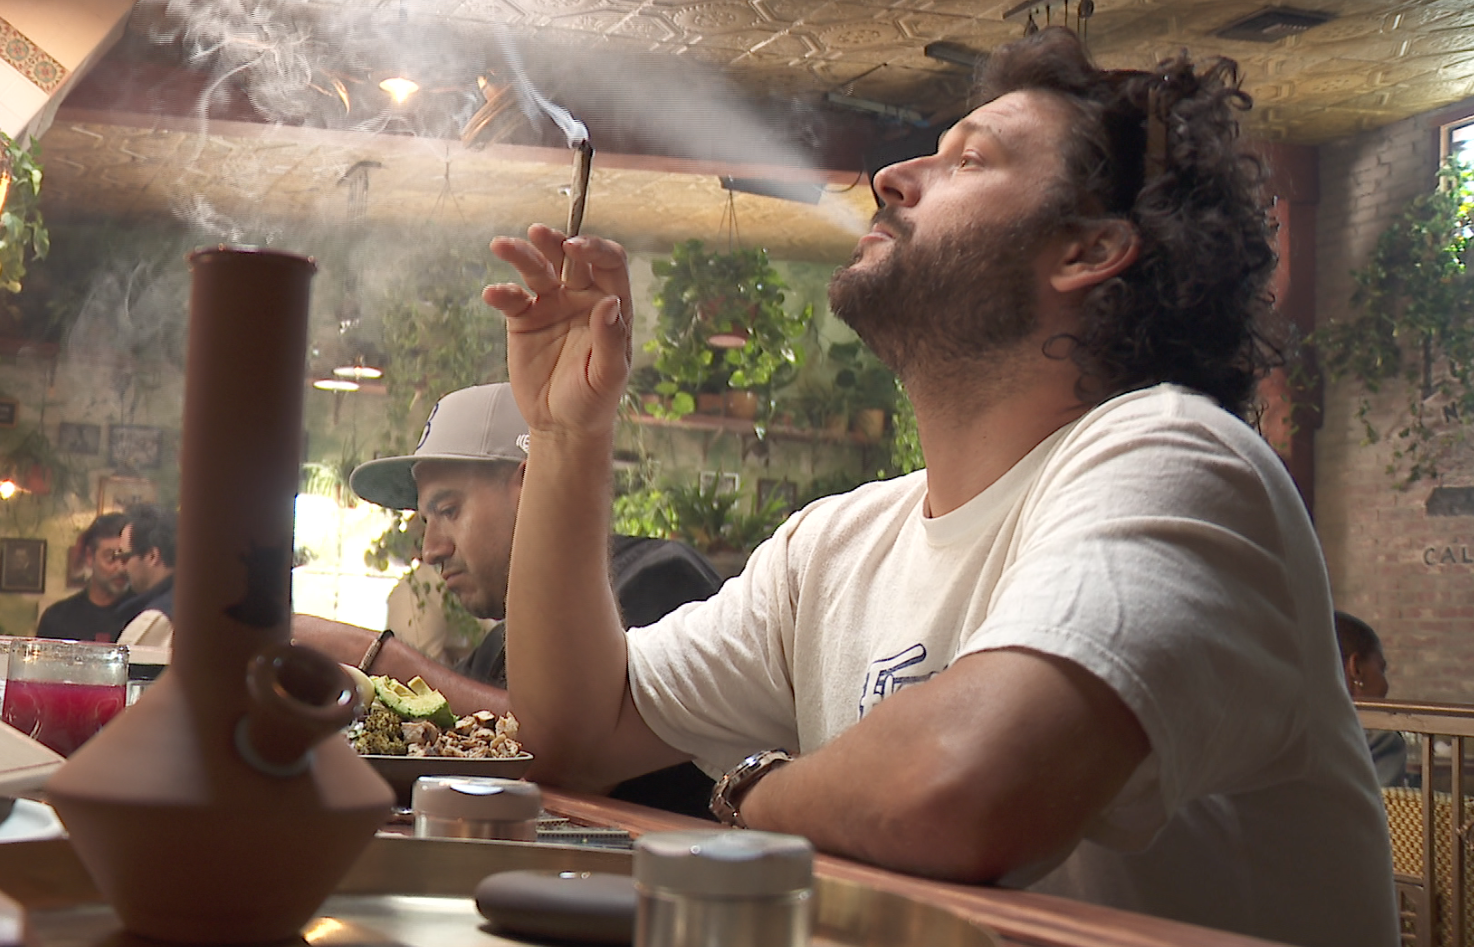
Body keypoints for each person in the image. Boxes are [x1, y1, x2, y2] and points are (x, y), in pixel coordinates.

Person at [479, 27, 1395, 947]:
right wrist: (566, 433)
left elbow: (960, 790)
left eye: (969, 158)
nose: (891, 177)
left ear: (1086, 250)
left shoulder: (1178, 457)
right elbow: (576, 732)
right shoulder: (833, 544)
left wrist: (749, 790)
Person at [295, 382, 724, 817]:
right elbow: (452, 737)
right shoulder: (501, 645)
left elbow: (563, 754)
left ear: (531, 484)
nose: (430, 550)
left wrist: (370, 655)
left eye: (448, 511)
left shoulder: (660, 581)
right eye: (425, 520)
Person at [1335, 610, 1408, 788]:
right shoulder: (1381, 741)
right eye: (1381, 669)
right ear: (1356, 668)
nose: (1385, 685)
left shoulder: (1277, 730)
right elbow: (1381, 813)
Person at [35, 513, 132, 643]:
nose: (121, 568)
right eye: (111, 558)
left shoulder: (142, 616)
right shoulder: (58, 618)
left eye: (126, 557)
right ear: (89, 557)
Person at [116, 503, 177, 647]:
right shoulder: (195, 602)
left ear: (152, 556)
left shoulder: (155, 620)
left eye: (124, 558)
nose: (120, 567)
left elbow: (122, 669)